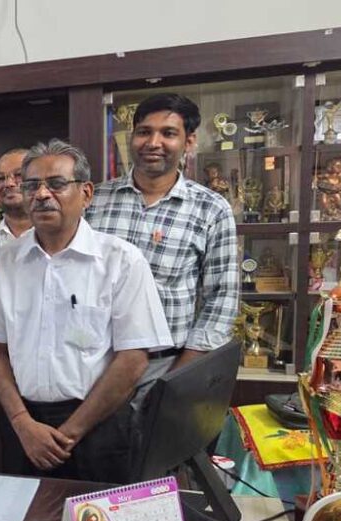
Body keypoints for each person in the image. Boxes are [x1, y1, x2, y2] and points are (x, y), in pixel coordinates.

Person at [0, 140, 172, 483]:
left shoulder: (120, 260)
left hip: (98, 427)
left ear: (86, 193)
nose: (41, 194)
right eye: (31, 185)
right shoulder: (5, 262)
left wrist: (69, 434)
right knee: (24, 517)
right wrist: (22, 423)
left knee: (98, 518)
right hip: (22, 426)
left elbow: (133, 359)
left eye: (56, 184)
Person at [86, 93, 238, 398]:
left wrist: (175, 379)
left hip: (164, 367)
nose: (153, 142)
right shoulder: (93, 201)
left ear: (189, 142)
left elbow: (221, 301)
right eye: (144, 132)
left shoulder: (211, 209)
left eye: (168, 133)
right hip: (93, 365)